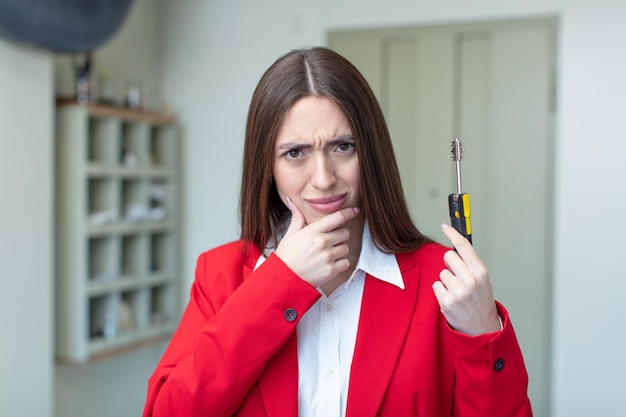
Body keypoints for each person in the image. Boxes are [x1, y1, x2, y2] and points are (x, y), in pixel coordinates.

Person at [142, 46, 533, 417]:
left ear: (371, 152)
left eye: (343, 147)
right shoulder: (221, 276)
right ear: (268, 167)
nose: (324, 179)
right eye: (295, 153)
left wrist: (483, 332)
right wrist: (279, 284)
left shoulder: (440, 282)